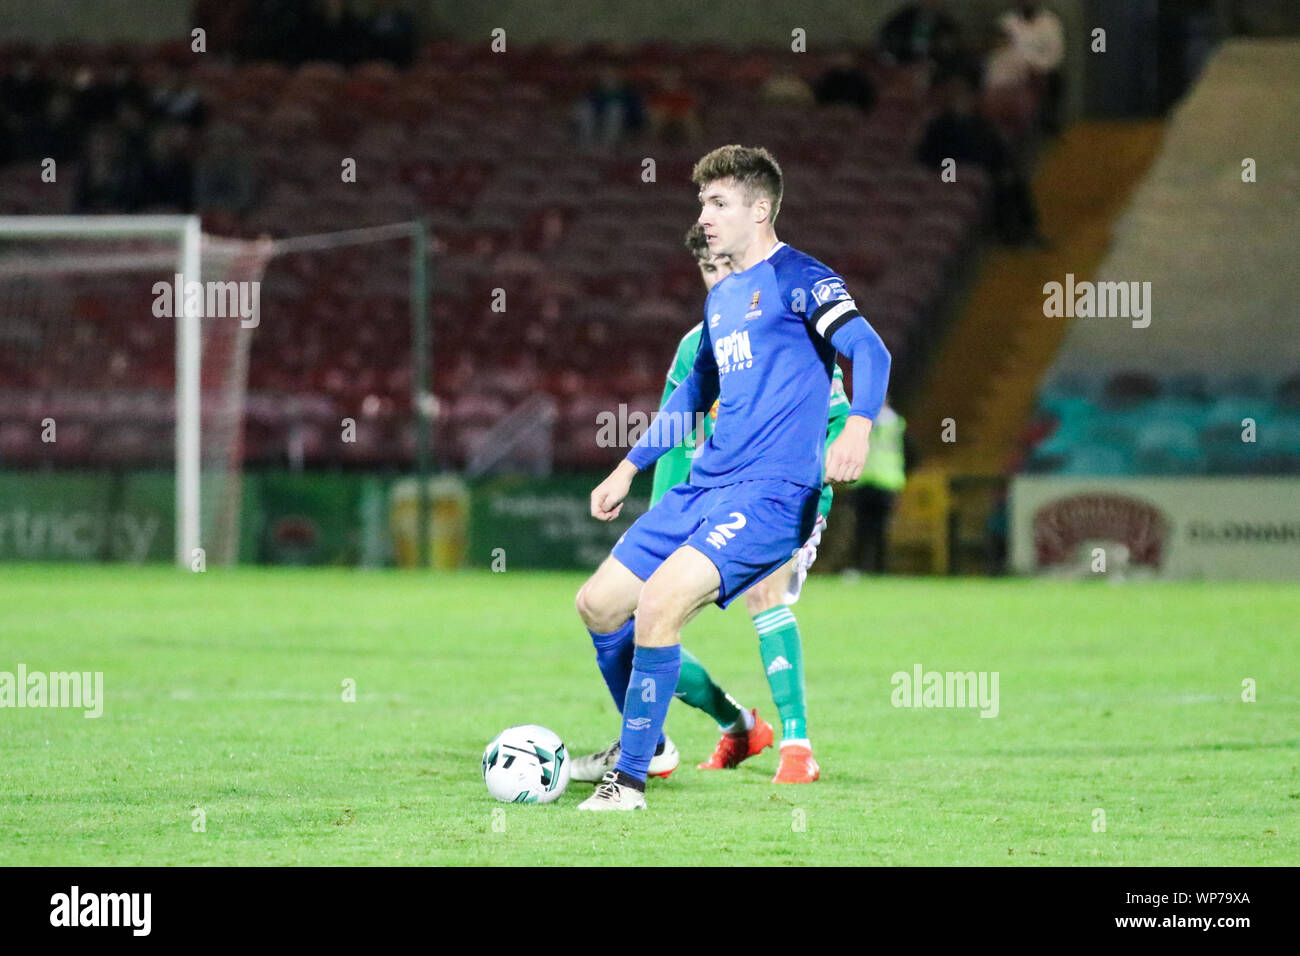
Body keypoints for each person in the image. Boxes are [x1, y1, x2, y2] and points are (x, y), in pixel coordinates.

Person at [572, 145, 891, 810]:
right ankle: (656, 744)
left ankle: (627, 779)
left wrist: (858, 425)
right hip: (702, 488)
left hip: (771, 495)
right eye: (702, 202)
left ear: (760, 208)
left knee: (660, 606)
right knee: (599, 604)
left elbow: (869, 347)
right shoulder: (724, 303)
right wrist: (627, 468)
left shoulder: (800, 278)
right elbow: (691, 398)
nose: (704, 215)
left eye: (717, 203)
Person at [844, 399, 906, 572]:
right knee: (873, 530)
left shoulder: (861, 421)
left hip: (874, 481)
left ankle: (866, 568)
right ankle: (874, 569)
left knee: (867, 530)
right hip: (876, 482)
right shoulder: (897, 423)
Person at [999, 1, 1066, 134]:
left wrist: (1038, 67)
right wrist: (1023, 67)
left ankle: (1047, 122)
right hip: (1014, 70)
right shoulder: (1007, 22)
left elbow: (1056, 52)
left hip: (1042, 70)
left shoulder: (1051, 22)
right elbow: (1003, 51)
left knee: (1055, 81)